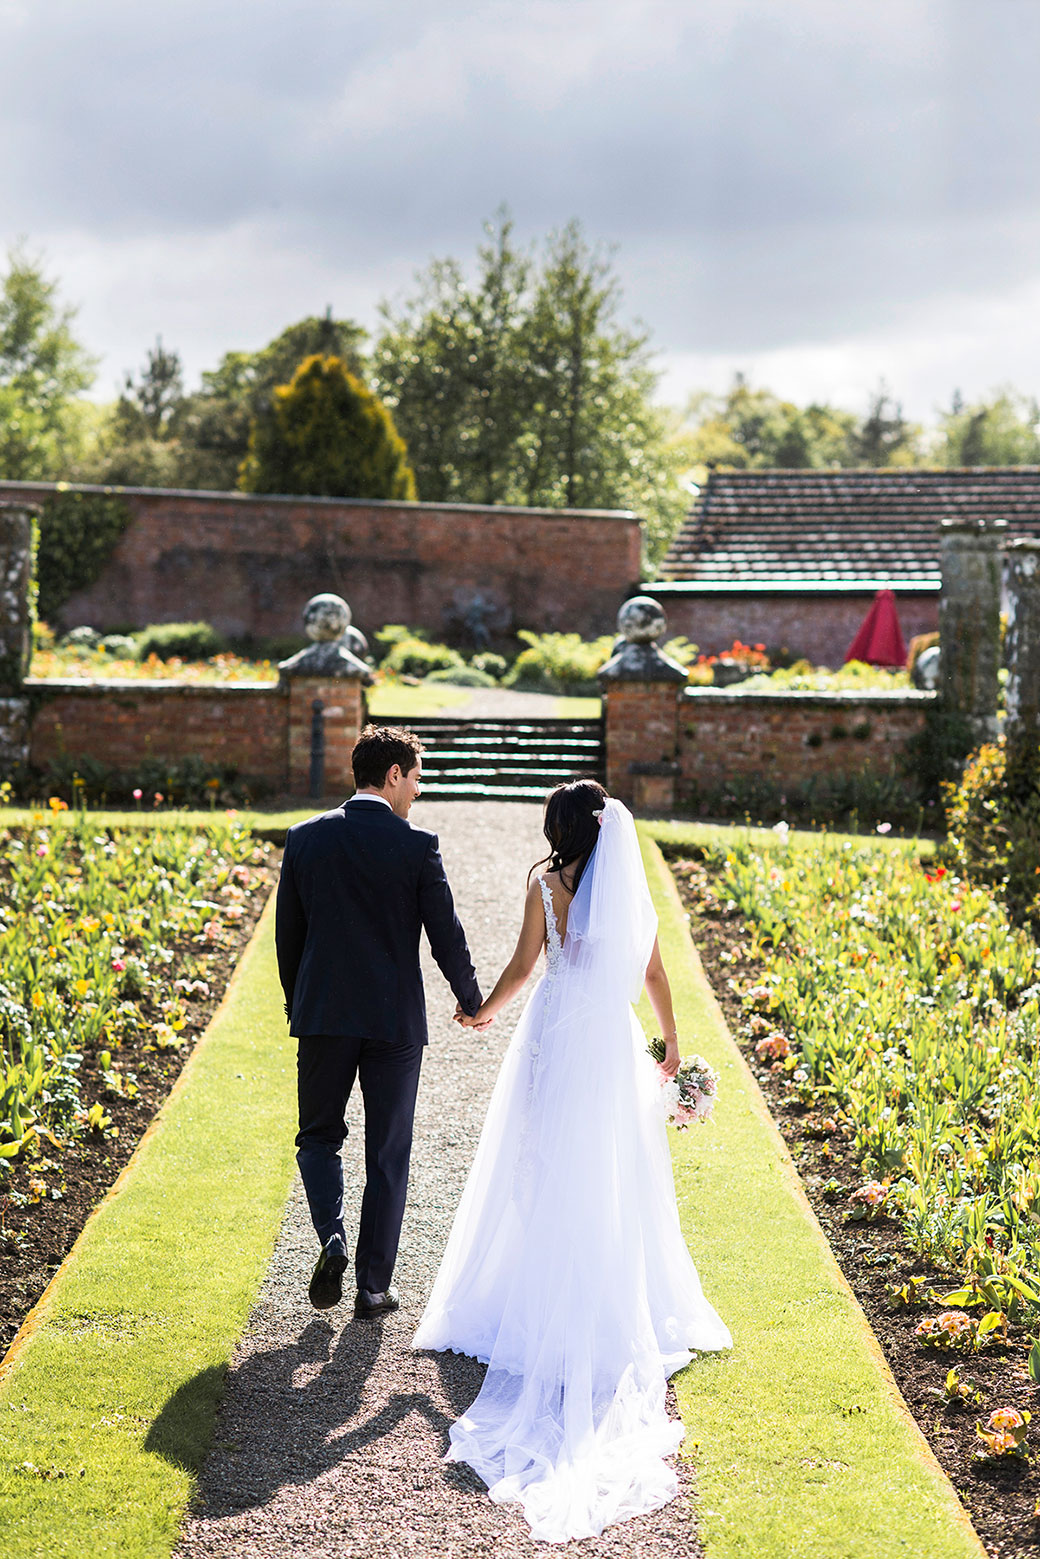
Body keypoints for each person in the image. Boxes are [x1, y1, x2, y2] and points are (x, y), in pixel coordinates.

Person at [414, 779, 731, 1543]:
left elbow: (525, 966)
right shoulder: (624, 887)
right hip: (605, 1040)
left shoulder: (544, 885)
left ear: (559, 828)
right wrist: (672, 1044)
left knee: (541, 1164)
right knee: (610, 1171)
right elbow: (653, 974)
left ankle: (536, 1285)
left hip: (553, 1034)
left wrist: (483, 1010)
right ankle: (600, 1286)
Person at [275, 724, 482, 1319]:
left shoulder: (305, 838)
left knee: (318, 1137)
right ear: (393, 775)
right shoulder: (417, 845)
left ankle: (332, 1237)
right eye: (415, 778)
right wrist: (470, 1000)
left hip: (324, 1016)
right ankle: (372, 1289)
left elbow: (289, 937)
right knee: (389, 1151)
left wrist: (300, 1003)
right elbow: (446, 934)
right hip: (395, 1022)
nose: (418, 790)